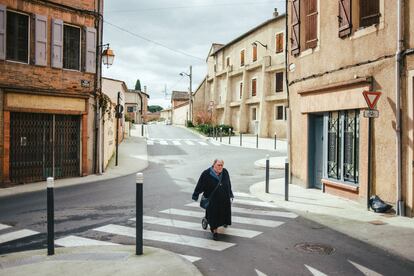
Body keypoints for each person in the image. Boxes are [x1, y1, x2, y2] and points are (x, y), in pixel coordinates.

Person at [192, 159, 234, 240]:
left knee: (225, 212)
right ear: (214, 164)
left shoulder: (225, 172)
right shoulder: (206, 173)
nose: (220, 167)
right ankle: (215, 231)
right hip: (212, 200)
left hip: (224, 198)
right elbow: (200, 184)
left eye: (222, 165)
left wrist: (230, 194)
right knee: (214, 215)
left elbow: (228, 184)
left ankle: (224, 222)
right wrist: (195, 194)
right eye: (218, 165)